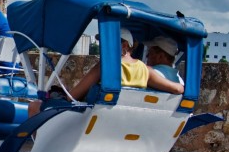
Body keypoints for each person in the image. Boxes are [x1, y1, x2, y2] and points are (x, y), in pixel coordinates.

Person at [27, 27, 183, 117]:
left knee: (35, 106)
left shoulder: (105, 67)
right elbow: (177, 88)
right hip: (125, 119)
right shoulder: (145, 70)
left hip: (93, 117)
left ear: (122, 45)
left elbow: (72, 97)